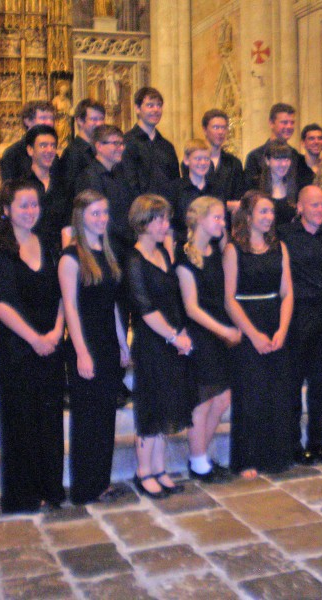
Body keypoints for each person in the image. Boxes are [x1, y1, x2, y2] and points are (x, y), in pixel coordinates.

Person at [0, 180, 66, 513]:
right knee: (21, 422)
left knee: (50, 420)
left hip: (51, 344)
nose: (31, 211)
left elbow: (62, 292)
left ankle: (51, 488)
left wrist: (57, 331)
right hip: (18, 349)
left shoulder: (47, 243)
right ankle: (24, 495)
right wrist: (34, 339)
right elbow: (1, 304)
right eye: (23, 205)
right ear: (6, 210)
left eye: (35, 204)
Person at [59, 190, 130, 504]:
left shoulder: (106, 252)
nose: (102, 219)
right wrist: (82, 352)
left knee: (105, 418)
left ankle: (101, 483)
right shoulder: (70, 257)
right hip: (85, 344)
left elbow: (112, 304)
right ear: (81, 216)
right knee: (87, 419)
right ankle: (85, 488)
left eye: (105, 212)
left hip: (107, 343)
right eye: (95, 213)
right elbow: (70, 308)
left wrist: (122, 343)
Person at [126, 194, 194, 498]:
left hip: (171, 337)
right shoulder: (134, 259)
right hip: (152, 341)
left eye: (166, 218)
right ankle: (144, 471)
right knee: (151, 407)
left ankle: (159, 467)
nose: (166, 224)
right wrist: (173, 336)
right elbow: (145, 309)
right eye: (160, 219)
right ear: (144, 222)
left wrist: (181, 332)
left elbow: (173, 298)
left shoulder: (164, 253)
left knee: (167, 404)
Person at [223, 191, 294, 478]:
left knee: (277, 393)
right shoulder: (233, 250)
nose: (269, 217)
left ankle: (275, 457)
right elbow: (229, 299)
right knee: (250, 395)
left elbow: (287, 293)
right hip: (247, 325)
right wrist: (252, 335)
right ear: (248, 216)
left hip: (275, 322)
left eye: (271, 212)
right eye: (263, 211)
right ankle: (247, 459)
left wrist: (282, 329)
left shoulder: (280, 247)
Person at [176, 196, 241, 482]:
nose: (222, 223)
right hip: (201, 334)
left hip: (219, 331)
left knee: (223, 397)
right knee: (202, 401)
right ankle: (199, 461)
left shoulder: (217, 251)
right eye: (216, 217)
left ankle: (199, 456)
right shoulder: (184, 257)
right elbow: (191, 308)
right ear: (200, 219)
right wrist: (223, 331)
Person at [278, 186, 322, 465]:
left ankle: (317, 443)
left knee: (321, 384)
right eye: (314, 205)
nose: (320, 209)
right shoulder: (285, 235)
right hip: (296, 316)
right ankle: (293, 444)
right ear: (300, 207)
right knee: (292, 384)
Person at [74, 125, 136, 262]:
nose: (121, 148)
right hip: (103, 248)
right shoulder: (88, 177)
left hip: (123, 245)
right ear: (99, 146)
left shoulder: (121, 174)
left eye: (121, 144)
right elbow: (93, 218)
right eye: (115, 143)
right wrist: (126, 236)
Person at [121, 87, 180, 196]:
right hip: (138, 205)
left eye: (159, 105)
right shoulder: (127, 142)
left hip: (165, 205)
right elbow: (128, 183)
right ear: (137, 108)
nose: (156, 110)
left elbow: (175, 183)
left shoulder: (167, 146)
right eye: (150, 105)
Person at [244, 103, 314, 191]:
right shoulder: (255, 157)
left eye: (292, 123)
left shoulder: (296, 157)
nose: (289, 126)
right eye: (284, 122)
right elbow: (250, 190)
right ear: (271, 123)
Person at [24, 125, 69, 245]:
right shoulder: (21, 186)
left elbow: (68, 226)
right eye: (43, 146)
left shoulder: (62, 185)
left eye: (53, 146)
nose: (49, 150)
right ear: (30, 150)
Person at [201, 109, 245, 214]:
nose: (221, 132)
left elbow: (238, 200)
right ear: (205, 130)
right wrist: (227, 205)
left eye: (224, 128)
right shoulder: (195, 162)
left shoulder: (234, 163)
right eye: (216, 127)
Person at [168, 139, 211, 244]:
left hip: (211, 247)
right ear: (186, 160)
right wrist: (170, 253)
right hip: (184, 246)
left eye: (206, 159)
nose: (203, 163)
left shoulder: (216, 189)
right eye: (198, 159)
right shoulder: (175, 189)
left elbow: (222, 228)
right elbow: (169, 226)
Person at [61, 99, 106, 198]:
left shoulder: (100, 149)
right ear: (80, 121)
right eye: (94, 119)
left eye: (101, 119)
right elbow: (69, 192)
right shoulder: (72, 153)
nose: (99, 124)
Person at [1, 101, 55, 182]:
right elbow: (9, 188)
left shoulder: (53, 152)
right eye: (43, 118)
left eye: (51, 119)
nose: (49, 123)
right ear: (28, 121)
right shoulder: (13, 154)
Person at [258, 141, 299, 227]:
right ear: (267, 160)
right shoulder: (256, 187)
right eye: (278, 159)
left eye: (287, 159)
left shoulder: (295, 188)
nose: (283, 164)